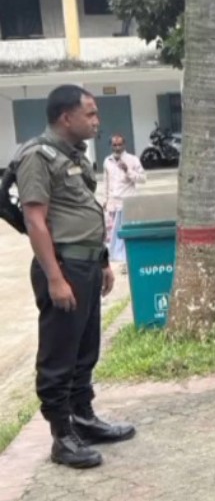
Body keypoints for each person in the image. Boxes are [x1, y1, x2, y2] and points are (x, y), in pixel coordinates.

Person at [16, 85, 135, 469]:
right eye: (91, 114)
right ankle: (61, 437)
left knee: (85, 349)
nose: (97, 121)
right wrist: (54, 278)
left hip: (85, 265)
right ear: (66, 117)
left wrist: (101, 262)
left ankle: (83, 418)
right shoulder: (38, 156)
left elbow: (85, 211)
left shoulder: (76, 157)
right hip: (62, 267)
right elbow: (35, 220)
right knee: (59, 355)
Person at [103, 134, 146, 271]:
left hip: (128, 203)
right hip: (113, 203)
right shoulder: (107, 161)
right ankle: (116, 259)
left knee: (126, 233)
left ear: (124, 145)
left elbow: (143, 179)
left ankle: (127, 261)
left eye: (119, 145)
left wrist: (128, 171)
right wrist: (105, 199)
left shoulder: (132, 160)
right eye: (114, 145)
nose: (117, 148)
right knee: (113, 235)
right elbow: (106, 182)